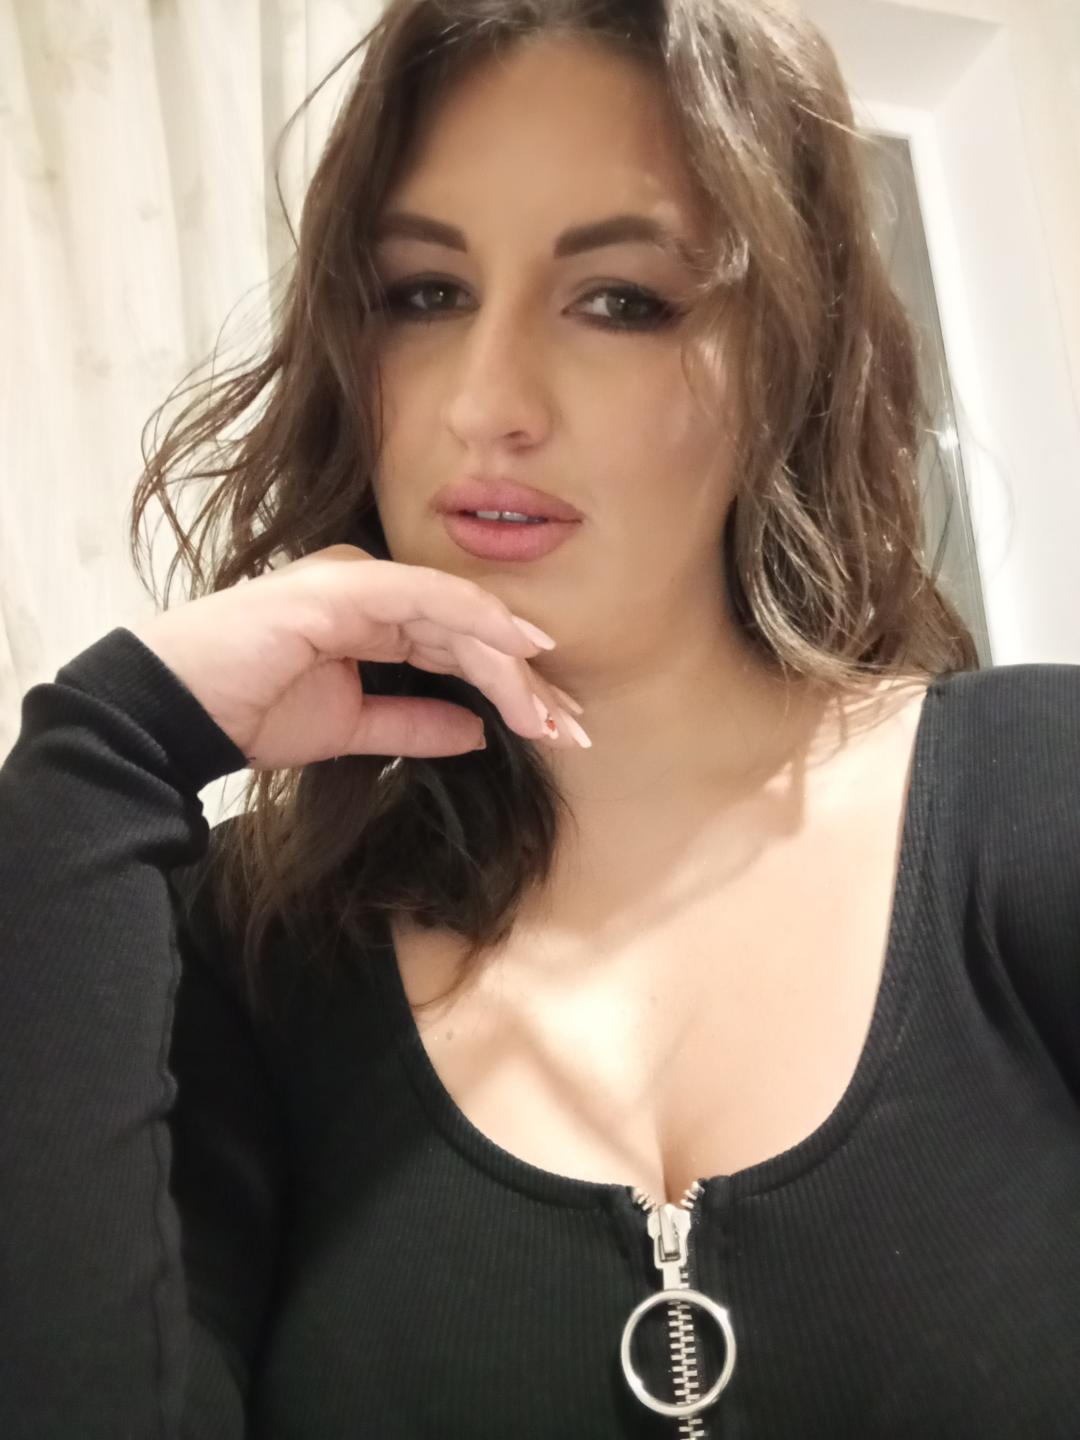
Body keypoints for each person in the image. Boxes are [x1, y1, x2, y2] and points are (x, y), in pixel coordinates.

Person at [2, 2, 1078, 1436]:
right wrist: (102, 751)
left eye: (620, 300)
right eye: (423, 293)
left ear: (785, 357)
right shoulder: (254, 949)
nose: (485, 404)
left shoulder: (1040, 799)